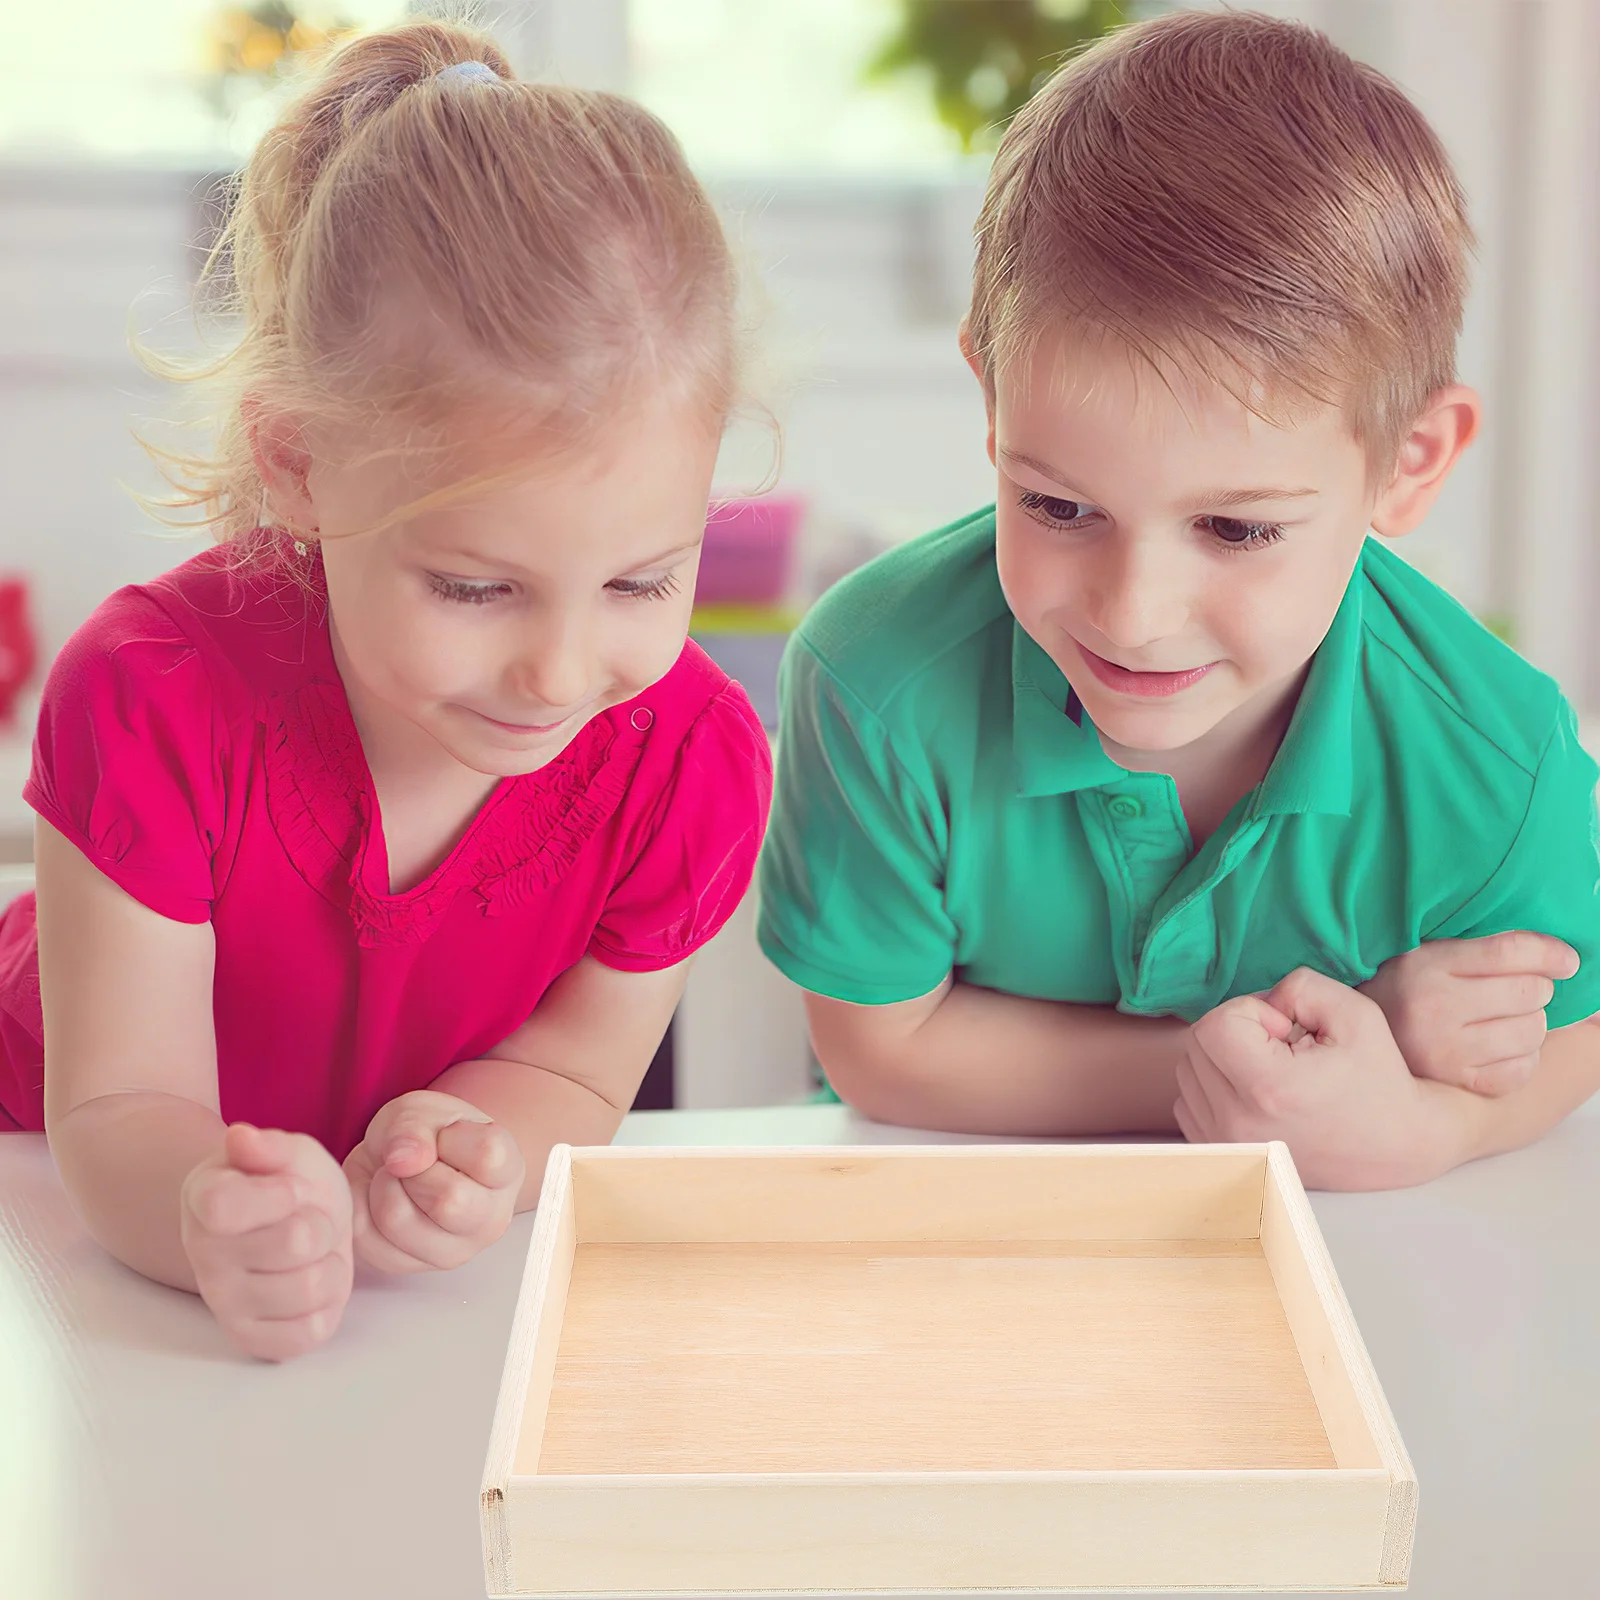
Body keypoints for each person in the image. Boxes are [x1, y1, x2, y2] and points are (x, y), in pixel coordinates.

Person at [0, 22, 771, 1359]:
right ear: (298, 464)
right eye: (476, 588)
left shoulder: (688, 760)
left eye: (643, 582)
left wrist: (478, 1147)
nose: (559, 670)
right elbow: (117, 1105)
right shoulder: (148, 698)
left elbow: (579, 1071)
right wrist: (202, 1211)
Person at [757, 9, 1600, 1191]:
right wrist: (1311, 1055)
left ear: (1407, 462)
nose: (1133, 610)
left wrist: (1426, 1127)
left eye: (1235, 527)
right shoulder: (873, 678)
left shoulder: (1498, 756)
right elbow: (883, 1054)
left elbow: (1572, 1029)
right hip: (953, 1236)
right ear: (989, 403)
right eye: (1055, 506)